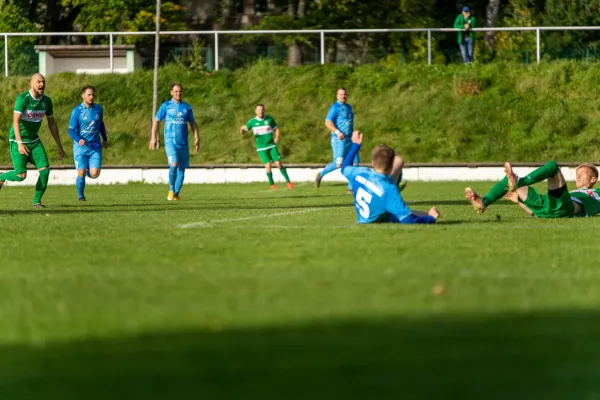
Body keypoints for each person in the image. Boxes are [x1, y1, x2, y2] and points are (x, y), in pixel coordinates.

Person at [341, 131, 440, 224]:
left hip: (366, 215)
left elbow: (345, 167)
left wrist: (356, 145)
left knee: (420, 213)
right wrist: (430, 218)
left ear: (372, 163)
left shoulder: (360, 172)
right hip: (382, 216)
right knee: (421, 215)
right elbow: (408, 220)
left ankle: (394, 194)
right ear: (391, 167)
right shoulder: (388, 189)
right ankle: (396, 192)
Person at [0, 73, 65, 208]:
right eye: (39, 82)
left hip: (34, 141)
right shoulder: (23, 99)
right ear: (32, 84)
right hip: (18, 140)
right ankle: (1, 177)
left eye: (43, 82)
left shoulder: (47, 101)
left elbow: (52, 124)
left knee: (45, 170)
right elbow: (16, 122)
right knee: (20, 176)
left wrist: (59, 145)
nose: (42, 84)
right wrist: (19, 143)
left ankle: (37, 202)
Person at [465, 161, 600, 218]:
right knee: (508, 180)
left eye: (582, 173)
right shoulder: (571, 193)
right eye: (577, 173)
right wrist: (519, 202)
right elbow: (535, 213)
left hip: (565, 208)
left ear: (593, 179)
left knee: (552, 165)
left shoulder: (596, 193)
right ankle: (484, 202)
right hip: (545, 208)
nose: (577, 175)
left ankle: (518, 182)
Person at [150, 83, 199, 201]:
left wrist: (197, 138)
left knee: (182, 169)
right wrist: (153, 137)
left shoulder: (187, 107)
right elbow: (156, 121)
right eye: (176, 91)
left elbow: (193, 123)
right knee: (174, 163)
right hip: (170, 142)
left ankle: (176, 193)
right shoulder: (166, 106)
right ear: (171, 92)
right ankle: (171, 189)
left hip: (184, 143)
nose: (178, 93)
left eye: (180, 91)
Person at [314, 87, 360, 192]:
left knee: (355, 162)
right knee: (338, 163)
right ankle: (320, 175)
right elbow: (327, 122)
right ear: (337, 96)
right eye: (341, 94)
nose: (343, 96)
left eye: (345, 94)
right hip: (339, 140)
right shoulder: (334, 108)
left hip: (349, 139)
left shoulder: (349, 107)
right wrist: (337, 132)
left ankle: (351, 188)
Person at [68, 85, 108, 201]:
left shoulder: (98, 109)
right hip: (80, 147)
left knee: (95, 174)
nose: (91, 97)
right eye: (89, 94)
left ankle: (87, 171)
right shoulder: (77, 111)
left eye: (93, 95)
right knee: (81, 171)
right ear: (83, 96)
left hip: (95, 146)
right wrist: (78, 139)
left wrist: (104, 138)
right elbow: (70, 130)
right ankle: (81, 196)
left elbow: (101, 124)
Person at [240, 104, 293, 189]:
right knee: (268, 165)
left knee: (278, 163)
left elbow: (276, 128)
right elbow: (244, 131)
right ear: (256, 111)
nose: (260, 111)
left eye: (262, 109)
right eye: (259, 110)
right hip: (261, 148)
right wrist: (242, 130)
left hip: (271, 145)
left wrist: (277, 137)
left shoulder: (269, 119)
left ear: (264, 110)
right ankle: (272, 184)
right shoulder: (252, 122)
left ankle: (288, 182)